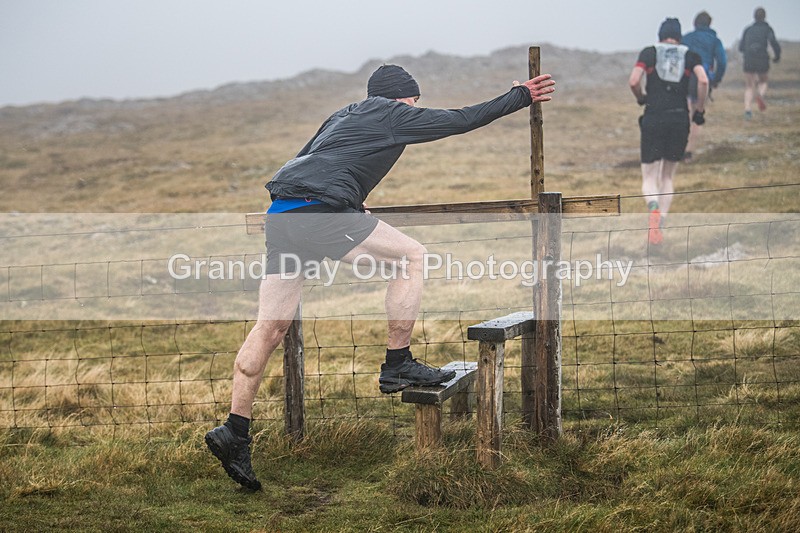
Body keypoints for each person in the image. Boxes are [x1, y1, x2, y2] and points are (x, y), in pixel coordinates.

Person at [204, 64, 556, 490]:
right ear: (401, 98)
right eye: (413, 102)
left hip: (284, 214)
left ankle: (234, 431)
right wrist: (520, 94)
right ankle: (398, 364)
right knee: (412, 256)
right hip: (322, 212)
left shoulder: (342, 114)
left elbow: (306, 159)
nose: (415, 110)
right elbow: (461, 120)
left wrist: (350, 199)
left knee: (271, 326)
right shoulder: (394, 113)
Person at [628, 18, 708, 245]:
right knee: (667, 176)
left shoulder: (649, 53)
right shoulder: (690, 56)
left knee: (649, 177)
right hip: (679, 118)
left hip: (653, 117)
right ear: (679, 36)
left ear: (660, 35)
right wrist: (699, 110)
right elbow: (702, 80)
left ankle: (652, 207)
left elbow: (633, 81)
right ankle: (661, 220)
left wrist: (642, 97)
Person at [682, 11, 727, 161]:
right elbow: (722, 61)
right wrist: (716, 79)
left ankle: (680, 146)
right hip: (704, 79)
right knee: (698, 113)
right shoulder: (714, 40)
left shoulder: (686, 38)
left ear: (695, 23)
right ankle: (689, 151)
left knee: (685, 112)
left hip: (686, 78)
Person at [739, 7, 781, 119]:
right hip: (762, 58)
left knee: (749, 86)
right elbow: (773, 43)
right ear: (764, 17)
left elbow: (741, 47)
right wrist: (777, 56)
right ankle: (760, 95)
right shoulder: (767, 29)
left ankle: (747, 110)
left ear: (754, 16)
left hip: (749, 59)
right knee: (763, 81)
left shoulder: (748, 29)